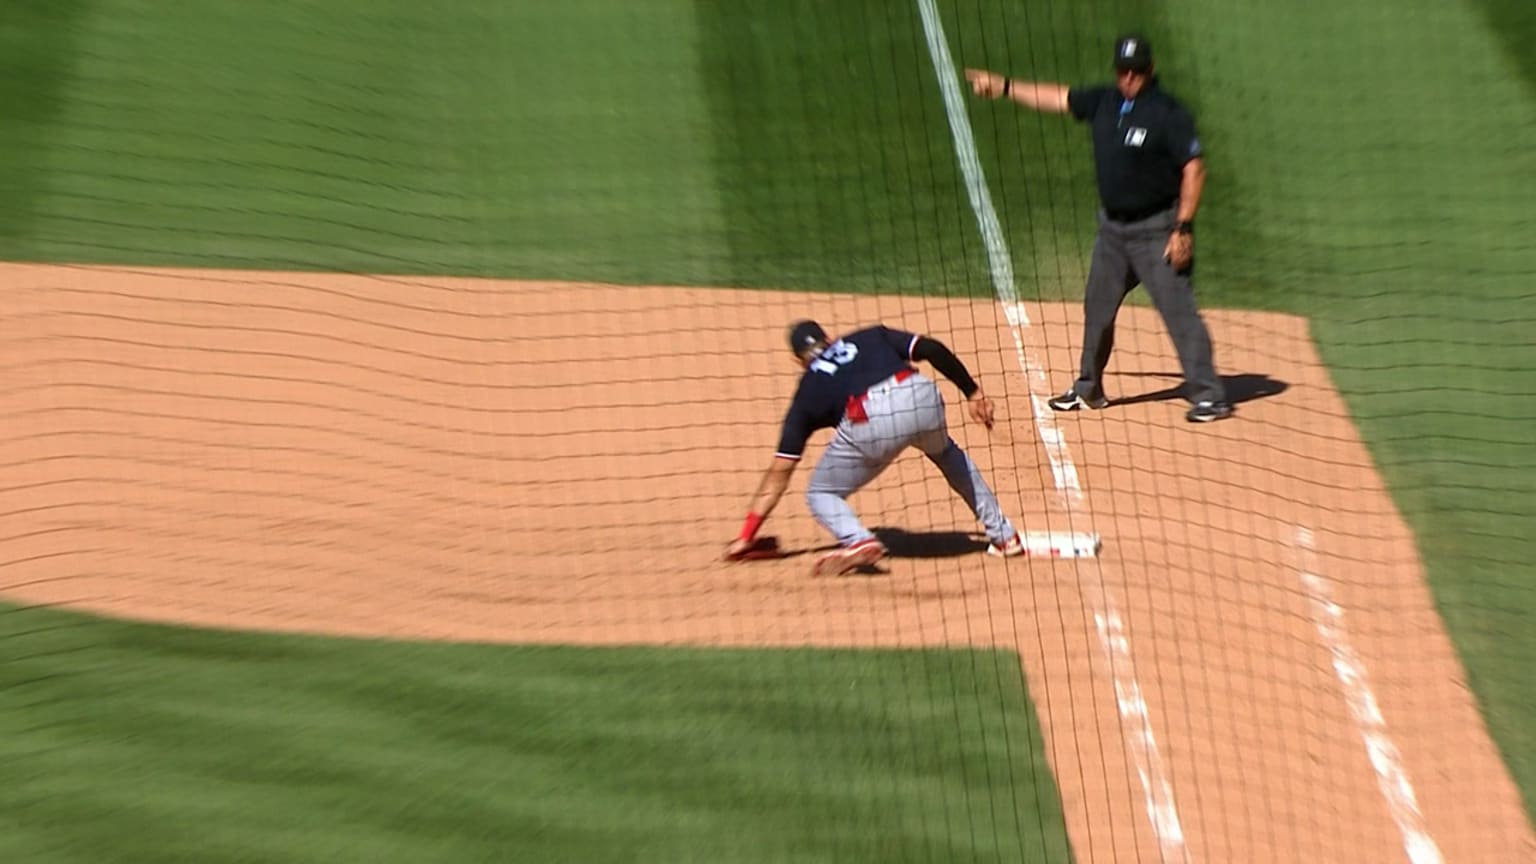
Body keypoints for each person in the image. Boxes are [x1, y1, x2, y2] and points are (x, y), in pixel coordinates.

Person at [965, 34, 1234, 422]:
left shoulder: (1167, 113)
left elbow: (1194, 168)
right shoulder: (1105, 102)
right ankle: (1089, 389)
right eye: (1123, 71)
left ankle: (1211, 396)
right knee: (1098, 309)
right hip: (1112, 233)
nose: (1128, 78)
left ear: (1150, 71)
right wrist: (1005, 86)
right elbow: (1059, 98)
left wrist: (1183, 228)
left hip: (1157, 230)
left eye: (1136, 72)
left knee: (1178, 311)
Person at [724, 320, 1026, 577]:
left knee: (820, 492)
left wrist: (746, 536)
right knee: (946, 453)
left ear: (799, 360)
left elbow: (781, 470)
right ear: (829, 339)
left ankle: (858, 540)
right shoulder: (868, 336)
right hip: (921, 396)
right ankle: (1004, 536)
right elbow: (931, 349)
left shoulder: (807, 389)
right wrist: (973, 393)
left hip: (871, 419)